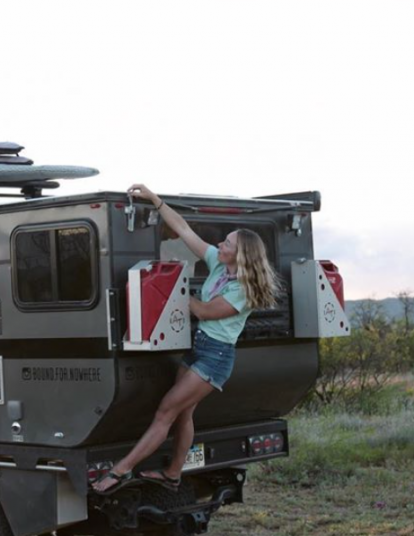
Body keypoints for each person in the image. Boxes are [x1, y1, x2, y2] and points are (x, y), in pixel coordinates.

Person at [91, 183, 281, 494]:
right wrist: (155, 200)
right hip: (200, 349)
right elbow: (184, 230)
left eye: (228, 242)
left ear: (241, 254)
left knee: (166, 410)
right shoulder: (220, 264)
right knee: (183, 413)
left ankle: (121, 471)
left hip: (215, 357)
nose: (221, 243)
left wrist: (173, 288)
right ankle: (173, 473)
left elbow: (205, 312)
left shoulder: (242, 291)